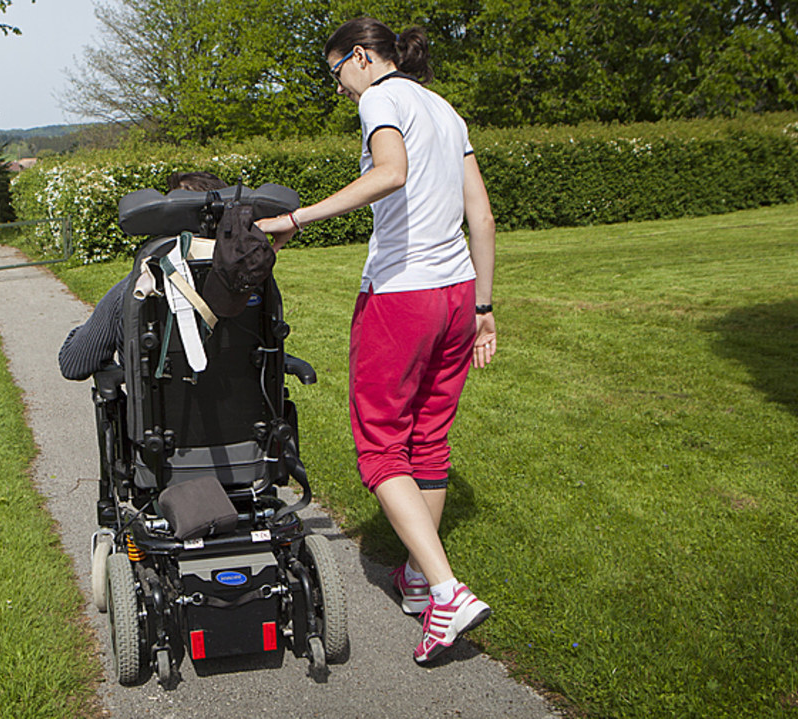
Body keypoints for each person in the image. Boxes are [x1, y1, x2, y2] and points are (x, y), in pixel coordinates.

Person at [255, 17, 498, 664]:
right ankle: (420, 575)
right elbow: (481, 212)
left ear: (362, 57)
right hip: (455, 295)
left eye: (337, 73)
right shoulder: (444, 109)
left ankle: (446, 590)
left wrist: (296, 218)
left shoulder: (383, 97)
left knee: (381, 445)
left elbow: (390, 174)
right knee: (429, 436)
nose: (339, 89)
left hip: (402, 295)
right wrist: (484, 306)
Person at [58, 172, 229, 381]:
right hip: (251, 410)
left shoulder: (140, 286)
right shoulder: (255, 284)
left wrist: (85, 333)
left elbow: (74, 364)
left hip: (161, 410)